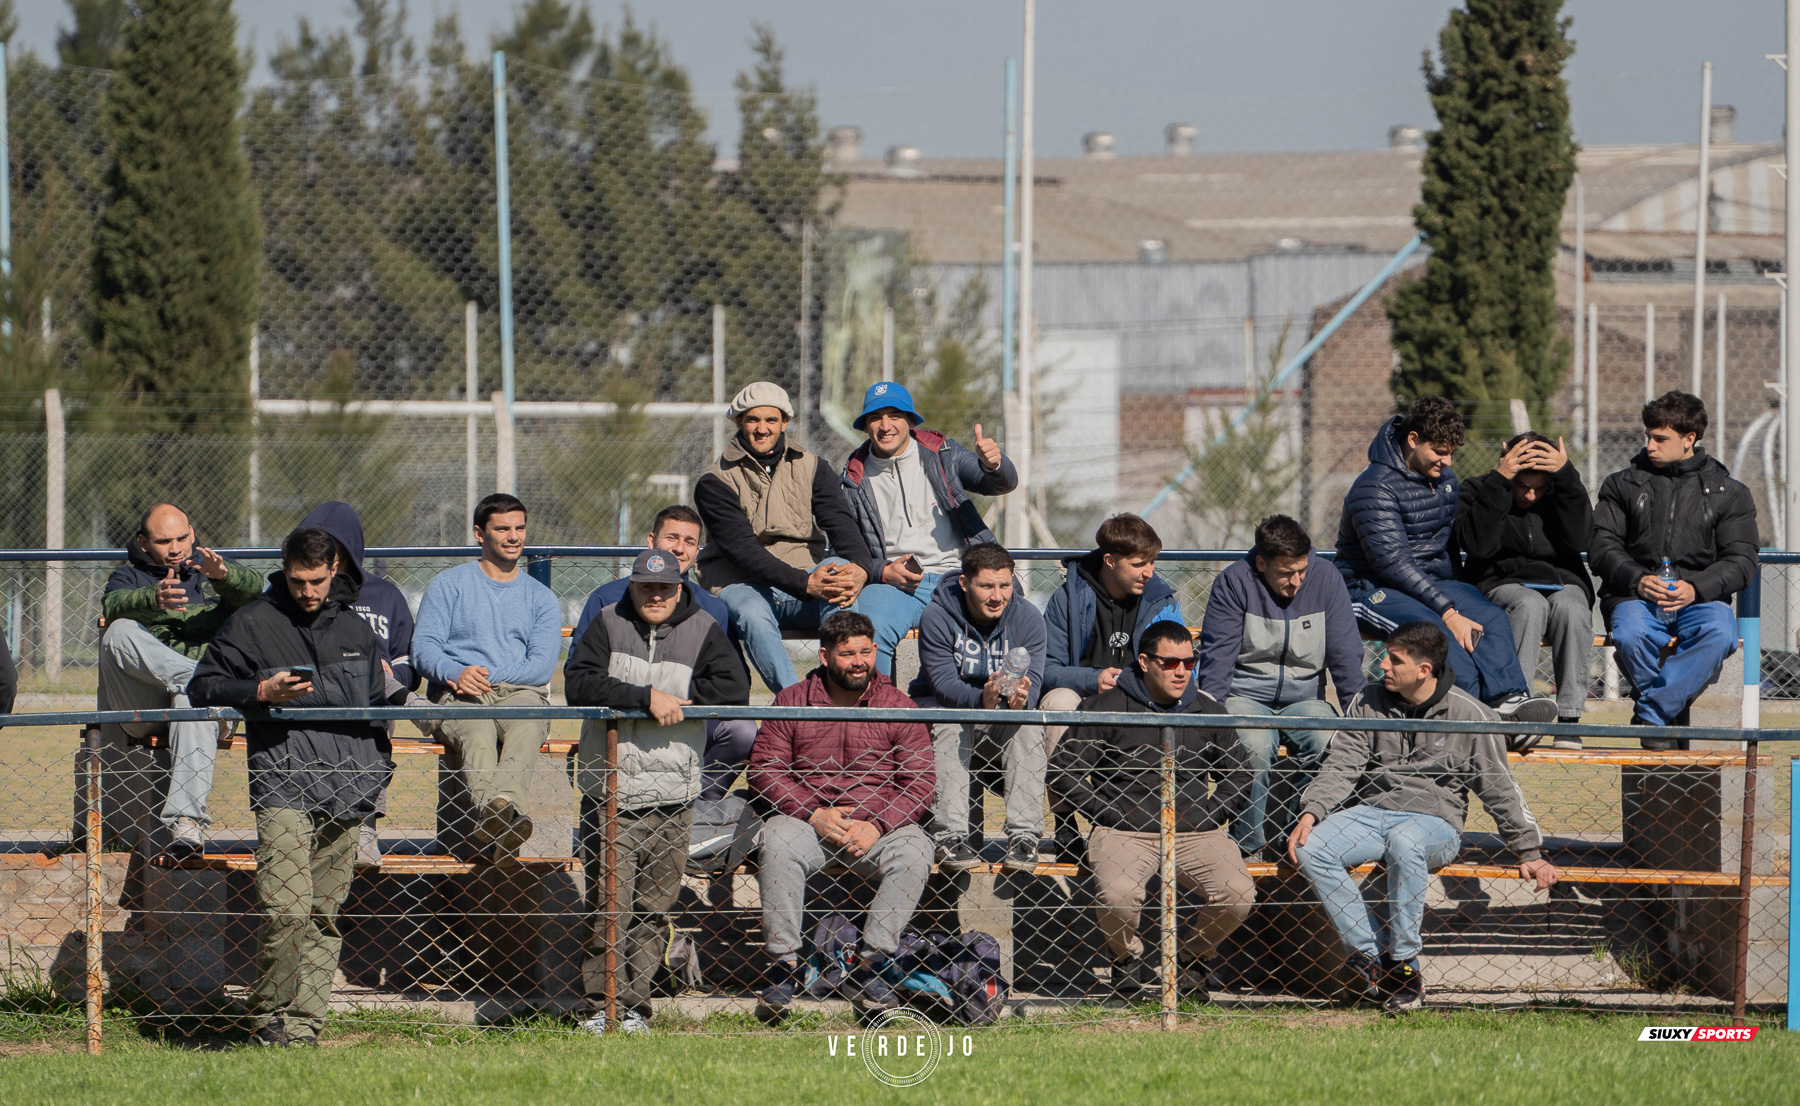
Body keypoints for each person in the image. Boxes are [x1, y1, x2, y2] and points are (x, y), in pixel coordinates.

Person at [188, 527, 389, 1047]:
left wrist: (374, 780)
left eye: (318, 581)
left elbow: (374, 710)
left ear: (334, 571)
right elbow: (202, 685)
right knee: (287, 909)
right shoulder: (253, 622)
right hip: (283, 780)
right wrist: (258, 690)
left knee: (324, 916)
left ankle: (303, 1028)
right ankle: (267, 1017)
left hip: (346, 785)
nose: (308, 591)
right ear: (285, 568)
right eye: (299, 580)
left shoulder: (357, 632)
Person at [1289, 621, 1556, 1012]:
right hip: (1370, 812)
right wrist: (1312, 814)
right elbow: (1341, 765)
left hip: (1434, 823)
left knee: (1405, 841)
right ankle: (1368, 956)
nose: (1383, 667)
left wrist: (1528, 851)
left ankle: (1404, 965)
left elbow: (1499, 787)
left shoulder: (1469, 715)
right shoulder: (1367, 702)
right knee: (1312, 849)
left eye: (1394, 660)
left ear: (1424, 670)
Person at [564, 549, 750, 1035]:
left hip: (675, 792)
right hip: (612, 792)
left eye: (664, 587)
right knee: (609, 907)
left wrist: (684, 704)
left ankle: (633, 1008)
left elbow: (734, 687)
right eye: (646, 587)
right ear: (632, 586)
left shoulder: (705, 628)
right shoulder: (606, 621)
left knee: (652, 910)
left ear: (679, 586)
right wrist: (645, 698)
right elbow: (578, 685)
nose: (655, 596)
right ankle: (596, 1008)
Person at [1049, 621, 1254, 1003]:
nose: (1181, 672)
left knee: (1237, 893)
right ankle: (1126, 960)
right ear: (1144, 662)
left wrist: (1209, 815)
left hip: (1196, 829)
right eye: (1170, 662)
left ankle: (1193, 959)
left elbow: (1239, 773)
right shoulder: (1105, 707)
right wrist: (1108, 813)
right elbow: (1063, 770)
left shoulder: (1207, 709)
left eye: (1189, 663)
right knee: (1117, 894)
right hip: (1123, 830)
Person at [747, 611, 934, 1024]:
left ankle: (871, 966)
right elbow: (764, 768)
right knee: (776, 839)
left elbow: (920, 781)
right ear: (825, 655)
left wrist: (879, 824)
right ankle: (784, 964)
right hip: (809, 824)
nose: (859, 661)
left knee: (917, 848)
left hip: (876, 829)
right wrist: (811, 813)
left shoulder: (899, 706)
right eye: (848, 653)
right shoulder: (793, 700)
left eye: (866, 651)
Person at [1334, 397, 1555, 722]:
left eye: (1452, 451)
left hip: (1428, 585)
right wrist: (1449, 611)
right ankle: (1480, 722)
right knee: (1438, 633)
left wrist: (1464, 600)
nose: (1447, 460)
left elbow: (1444, 551)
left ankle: (1510, 704)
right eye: (1439, 451)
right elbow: (1392, 564)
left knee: (1490, 617)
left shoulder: (1445, 481)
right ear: (1413, 440)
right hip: (1371, 589)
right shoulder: (1374, 488)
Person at [694, 381, 896, 692]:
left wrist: (859, 566)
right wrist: (805, 584)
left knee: (842, 577)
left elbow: (841, 523)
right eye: (753, 420)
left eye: (771, 420)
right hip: (741, 580)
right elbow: (742, 550)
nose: (763, 429)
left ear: (785, 423)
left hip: (805, 577)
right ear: (738, 423)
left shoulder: (812, 466)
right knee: (751, 614)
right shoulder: (715, 480)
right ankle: (796, 706)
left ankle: (842, 695)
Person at [1589, 391, 1758, 750]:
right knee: (1631, 635)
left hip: (1700, 600)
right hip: (1635, 596)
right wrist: (1638, 579)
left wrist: (1696, 588)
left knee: (1720, 633)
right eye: (1648, 436)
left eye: (1660, 438)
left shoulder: (1730, 492)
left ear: (1689, 439)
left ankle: (1651, 715)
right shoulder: (1621, 485)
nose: (1650, 445)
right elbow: (1602, 546)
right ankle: (1664, 716)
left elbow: (1742, 559)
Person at [99, 502, 265, 858]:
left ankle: (187, 827)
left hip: (207, 709)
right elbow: (112, 606)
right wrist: (153, 599)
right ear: (143, 542)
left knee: (191, 700)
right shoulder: (128, 577)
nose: (175, 548)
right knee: (118, 632)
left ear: (192, 534)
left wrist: (224, 578)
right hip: (146, 706)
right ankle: (205, 682)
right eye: (163, 541)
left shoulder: (213, 568)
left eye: (181, 538)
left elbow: (258, 594)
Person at [1196, 514, 1363, 857]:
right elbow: (1218, 659)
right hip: (1244, 695)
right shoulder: (1233, 582)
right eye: (1286, 573)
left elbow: (1346, 655)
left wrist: (1361, 718)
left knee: (1325, 737)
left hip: (1305, 697)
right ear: (1261, 562)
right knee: (1254, 745)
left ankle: (1297, 839)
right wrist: (1207, 718)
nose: (1297, 581)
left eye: (1302, 570)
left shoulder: (1326, 579)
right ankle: (1248, 848)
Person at [412, 493, 563, 863]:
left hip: (520, 693)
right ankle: (507, 820)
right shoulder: (449, 585)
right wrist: (455, 672)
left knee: (528, 724)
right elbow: (423, 649)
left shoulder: (541, 598)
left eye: (519, 528)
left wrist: (489, 675)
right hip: (460, 694)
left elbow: (542, 666)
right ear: (480, 534)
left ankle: (498, 814)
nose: (514, 537)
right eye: (503, 529)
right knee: (476, 732)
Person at [572, 504, 756, 801]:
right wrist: (645, 697)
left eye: (690, 541)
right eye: (672, 537)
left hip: (687, 713)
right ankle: (612, 806)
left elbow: (733, 685)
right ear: (651, 540)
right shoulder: (606, 599)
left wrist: (675, 699)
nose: (680, 548)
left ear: (698, 551)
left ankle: (696, 803)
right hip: (623, 712)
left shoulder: (714, 608)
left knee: (742, 729)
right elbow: (581, 676)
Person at [838, 381, 1019, 675]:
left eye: (895, 415)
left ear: (910, 421)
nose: (885, 425)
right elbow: (844, 549)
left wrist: (995, 465)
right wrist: (881, 570)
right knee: (867, 633)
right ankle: (879, 716)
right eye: (875, 417)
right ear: (865, 425)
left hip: (960, 579)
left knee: (1020, 623)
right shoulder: (851, 479)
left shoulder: (943, 454)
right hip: (896, 586)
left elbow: (998, 483)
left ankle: (1005, 709)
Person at [1039, 513, 1186, 862]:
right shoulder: (1069, 598)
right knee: (1057, 703)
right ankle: (1065, 824)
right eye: (1139, 564)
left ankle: (1167, 824)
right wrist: (1094, 678)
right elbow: (1047, 668)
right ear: (1109, 560)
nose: (1149, 572)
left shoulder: (1161, 601)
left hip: (1139, 699)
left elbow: (1177, 665)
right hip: (1084, 696)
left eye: (1151, 562)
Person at [908, 542, 1047, 873]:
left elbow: (1036, 682)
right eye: (987, 586)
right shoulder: (937, 615)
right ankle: (950, 837)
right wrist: (979, 699)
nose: (997, 596)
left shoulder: (1028, 618)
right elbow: (942, 685)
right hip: (948, 712)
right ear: (965, 583)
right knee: (950, 721)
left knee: (1027, 724)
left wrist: (1021, 699)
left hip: (997, 716)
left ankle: (1024, 838)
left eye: (1005, 585)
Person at [1453, 432, 1596, 748]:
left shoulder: (1564, 491)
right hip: (1501, 582)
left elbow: (1581, 541)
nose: (1531, 496)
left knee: (1573, 607)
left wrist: (1567, 478)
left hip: (1562, 581)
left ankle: (1570, 720)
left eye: (1540, 488)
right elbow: (1478, 546)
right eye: (1522, 486)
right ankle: (1516, 713)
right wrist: (1501, 484)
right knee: (1529, 605)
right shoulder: (1477, 490)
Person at [300, 501, 420, 866]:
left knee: (376, 689)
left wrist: (393, 674)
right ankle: (311, 822)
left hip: (375, 693)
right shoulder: (301, 592)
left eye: (333, 545)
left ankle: (363, 821)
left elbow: (408, 660)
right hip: (317, 689)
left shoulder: (385, 595)